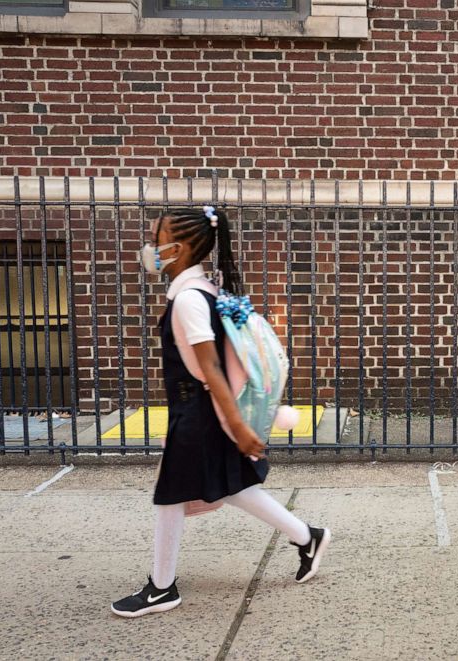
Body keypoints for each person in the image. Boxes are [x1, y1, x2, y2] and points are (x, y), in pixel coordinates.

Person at [111, 206, 330, 618]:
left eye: (157, 239)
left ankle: (162, 588)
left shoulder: (190, 301)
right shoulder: (202, 292)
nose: (150, 247)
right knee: (231, 487)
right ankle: (308, 536)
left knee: (170, 496)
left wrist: (239, 426)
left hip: (199, 413)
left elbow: (210, 370)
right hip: (199, 410)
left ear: (181, 248)